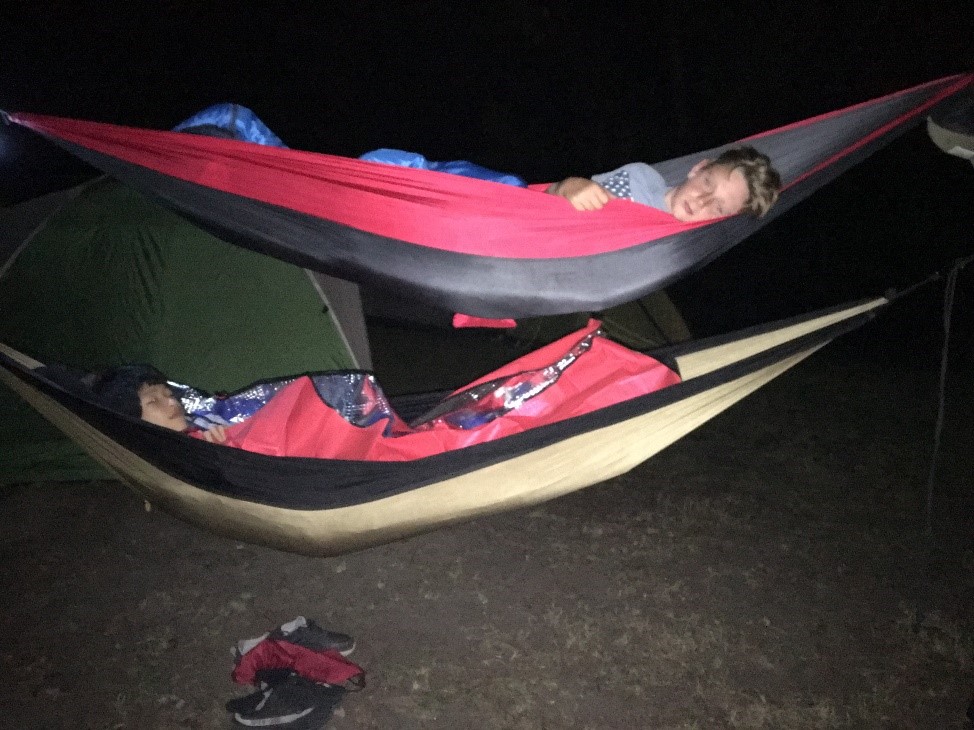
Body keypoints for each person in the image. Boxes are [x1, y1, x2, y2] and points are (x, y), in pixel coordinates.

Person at [546, 145, 781, 221]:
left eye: (718, 207)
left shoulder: (674, 249)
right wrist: (568, 186)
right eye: (708, 184)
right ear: (698, 168)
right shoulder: (639, 177)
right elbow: (546, 202)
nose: (701, 201)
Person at [90, 364, 229, 444]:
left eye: (169, 394)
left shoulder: (205, 422)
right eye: (153, 401)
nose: (172, 401)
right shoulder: (149, 456)